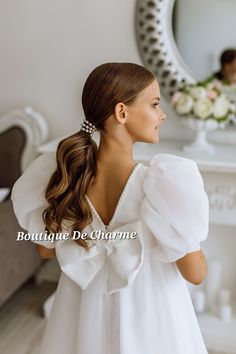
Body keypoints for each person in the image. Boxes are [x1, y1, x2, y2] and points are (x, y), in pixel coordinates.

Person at [11, 62, 209, 354]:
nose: (162, 115)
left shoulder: (68, 175)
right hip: (151, 316)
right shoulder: (162, 184)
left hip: (82, 312)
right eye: (154, 104)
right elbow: (196, 273)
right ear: (121, 113)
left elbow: (44, 249)